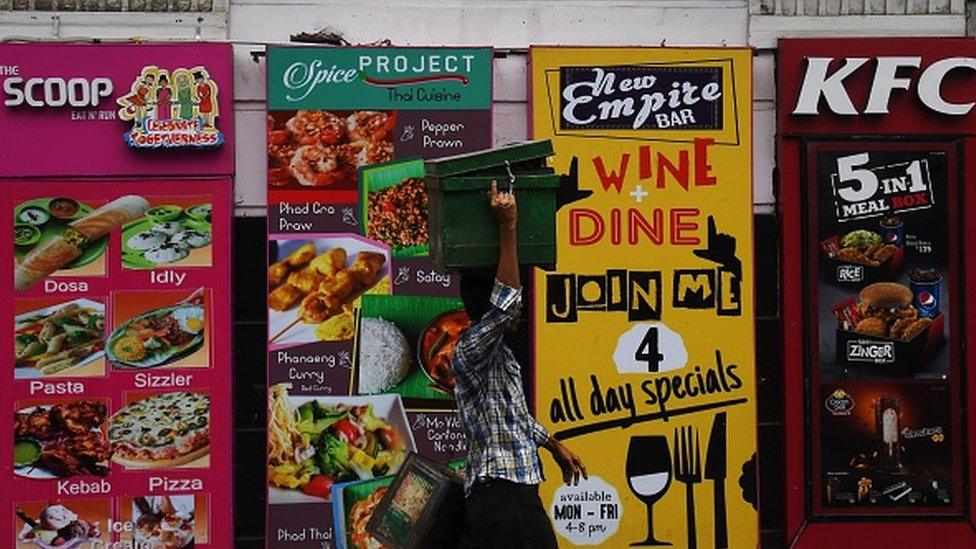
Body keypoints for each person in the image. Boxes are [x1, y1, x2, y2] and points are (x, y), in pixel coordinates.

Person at [454, 181, 587, 549]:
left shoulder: (497, 354)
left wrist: (553, 444)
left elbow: (513, 416)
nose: (521, 310)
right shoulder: (473, 346)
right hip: (502, 499)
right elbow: (506, 304)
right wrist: (508, 227)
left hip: (513, 495)